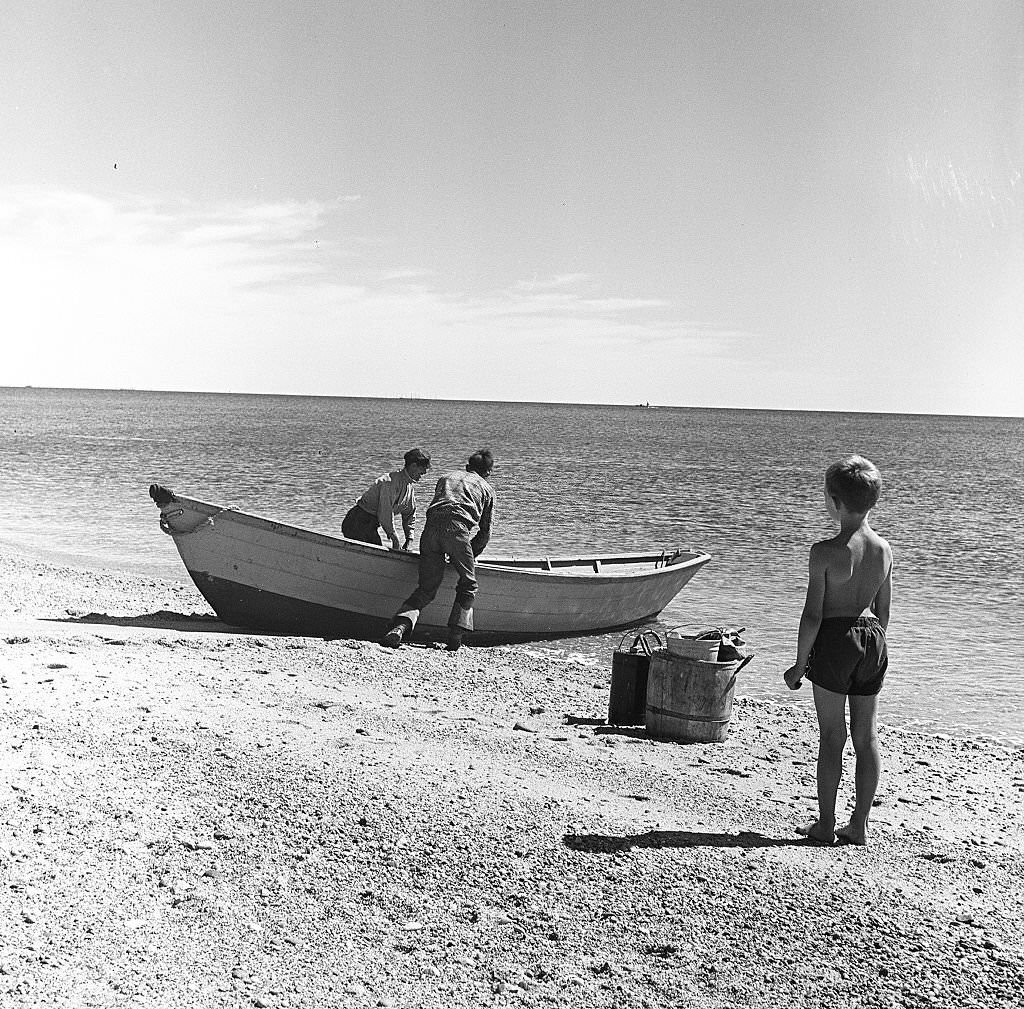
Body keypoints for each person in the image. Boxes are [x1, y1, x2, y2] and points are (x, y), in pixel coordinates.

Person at [783, 455, 893, 847]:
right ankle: (859, 825)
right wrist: (873, 650)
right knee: (867, 737)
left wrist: (799, 665)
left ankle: (826, 824)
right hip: (872, 641)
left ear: (833, 500)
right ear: (872, 501)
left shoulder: (824, 551)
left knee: (833, 737)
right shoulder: (883, 549)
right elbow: (883, 611)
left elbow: (813, 614)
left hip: (834, 641)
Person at [381, 449, 495, 652]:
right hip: (458, 531)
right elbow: (485, 533)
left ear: (468, 467)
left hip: (430, 530)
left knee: (426, 589)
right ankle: (454, 639)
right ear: (488, 472)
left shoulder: (446, 477)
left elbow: (441, 509)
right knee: (468, 584)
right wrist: (469, 555)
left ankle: (399, 627)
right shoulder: (487, 489)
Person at [342, 449, 431, 551]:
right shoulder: (389, 482)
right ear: (413, 466)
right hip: (356, 522)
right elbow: (385, 514)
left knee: (376, 555)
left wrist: (409, 539)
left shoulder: (409, 488)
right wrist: (395, 540)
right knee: (373, 556)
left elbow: (409, 514)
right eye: (422, 470)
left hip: (371, 525)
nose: (424, 473)